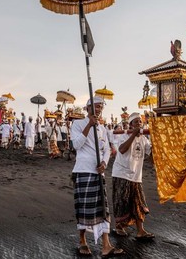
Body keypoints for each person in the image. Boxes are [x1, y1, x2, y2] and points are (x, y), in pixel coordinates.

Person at [70, 97, 124, 257]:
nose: (99, 109)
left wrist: (104, 163)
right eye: (96, 106)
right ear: (87, 108)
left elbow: (107, 149)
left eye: (101, 107)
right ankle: (82, 241)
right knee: (84, 207)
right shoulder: (78, 124)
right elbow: (76, 145)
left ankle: (106, 245)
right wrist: (89, 125)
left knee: (103, 208)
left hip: (98, 172)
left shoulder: (103, 128)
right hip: (83, 170)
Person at [111, 112, 154, 240]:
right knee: (122, 202)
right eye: (136, 122)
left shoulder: (143, 139)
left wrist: (157, 143)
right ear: (130, 125)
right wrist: (133, 135)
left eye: (140, 122)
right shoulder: (123, 135)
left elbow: (151, 157)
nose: (139, 124)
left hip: (136, 175)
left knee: (138, 202)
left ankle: (140, 231)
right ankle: (119, 227)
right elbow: (122, 149)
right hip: (122, 174)